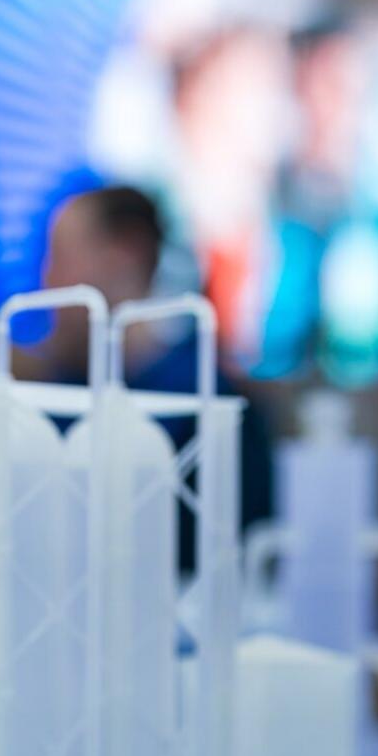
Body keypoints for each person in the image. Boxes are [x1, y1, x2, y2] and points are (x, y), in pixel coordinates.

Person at [40, 185, 275, 536]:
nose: (48, 279)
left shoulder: (206, 401)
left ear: (124, 255)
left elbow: (241, 543)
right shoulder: (55, 392)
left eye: (61, 258)